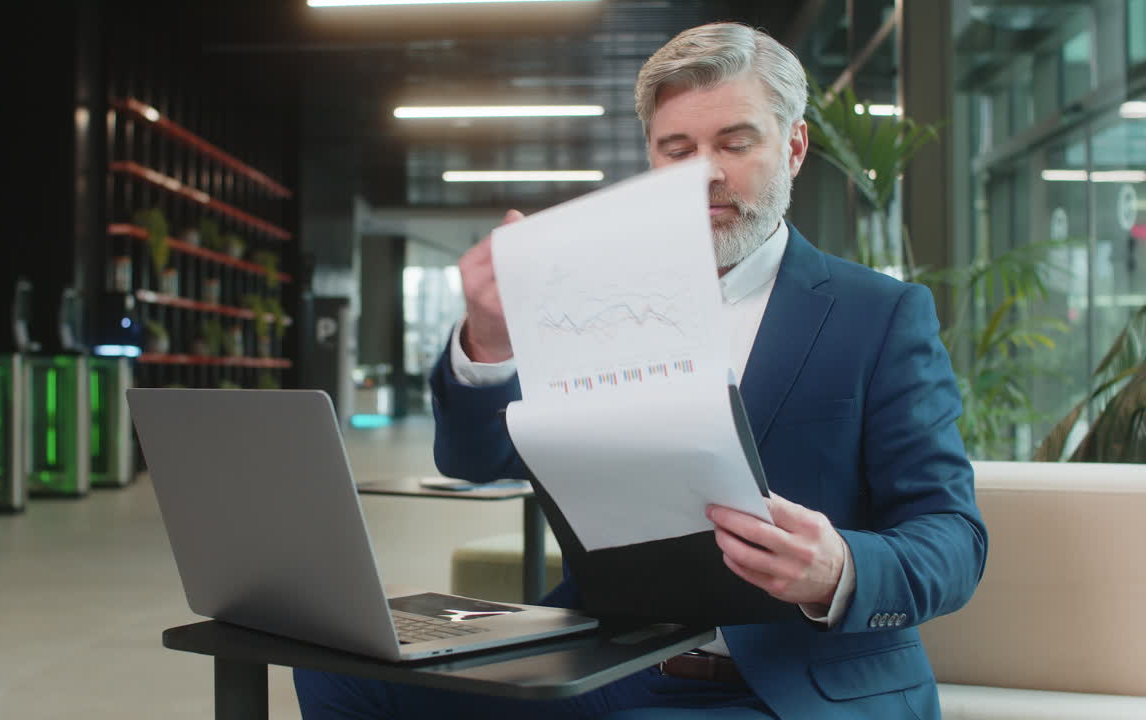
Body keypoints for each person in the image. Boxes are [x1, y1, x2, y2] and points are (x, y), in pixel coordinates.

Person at [296, 21, 987, 719]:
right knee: (334, 670)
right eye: (678, 149)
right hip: (606, 660)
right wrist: (491, 336)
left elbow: (953, 538)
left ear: (794, 147)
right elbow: (476, 461)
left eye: (736, 143)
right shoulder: (592, 294)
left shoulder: (881, 315)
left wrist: (837, 568)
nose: (706, 172)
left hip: (782, 683)